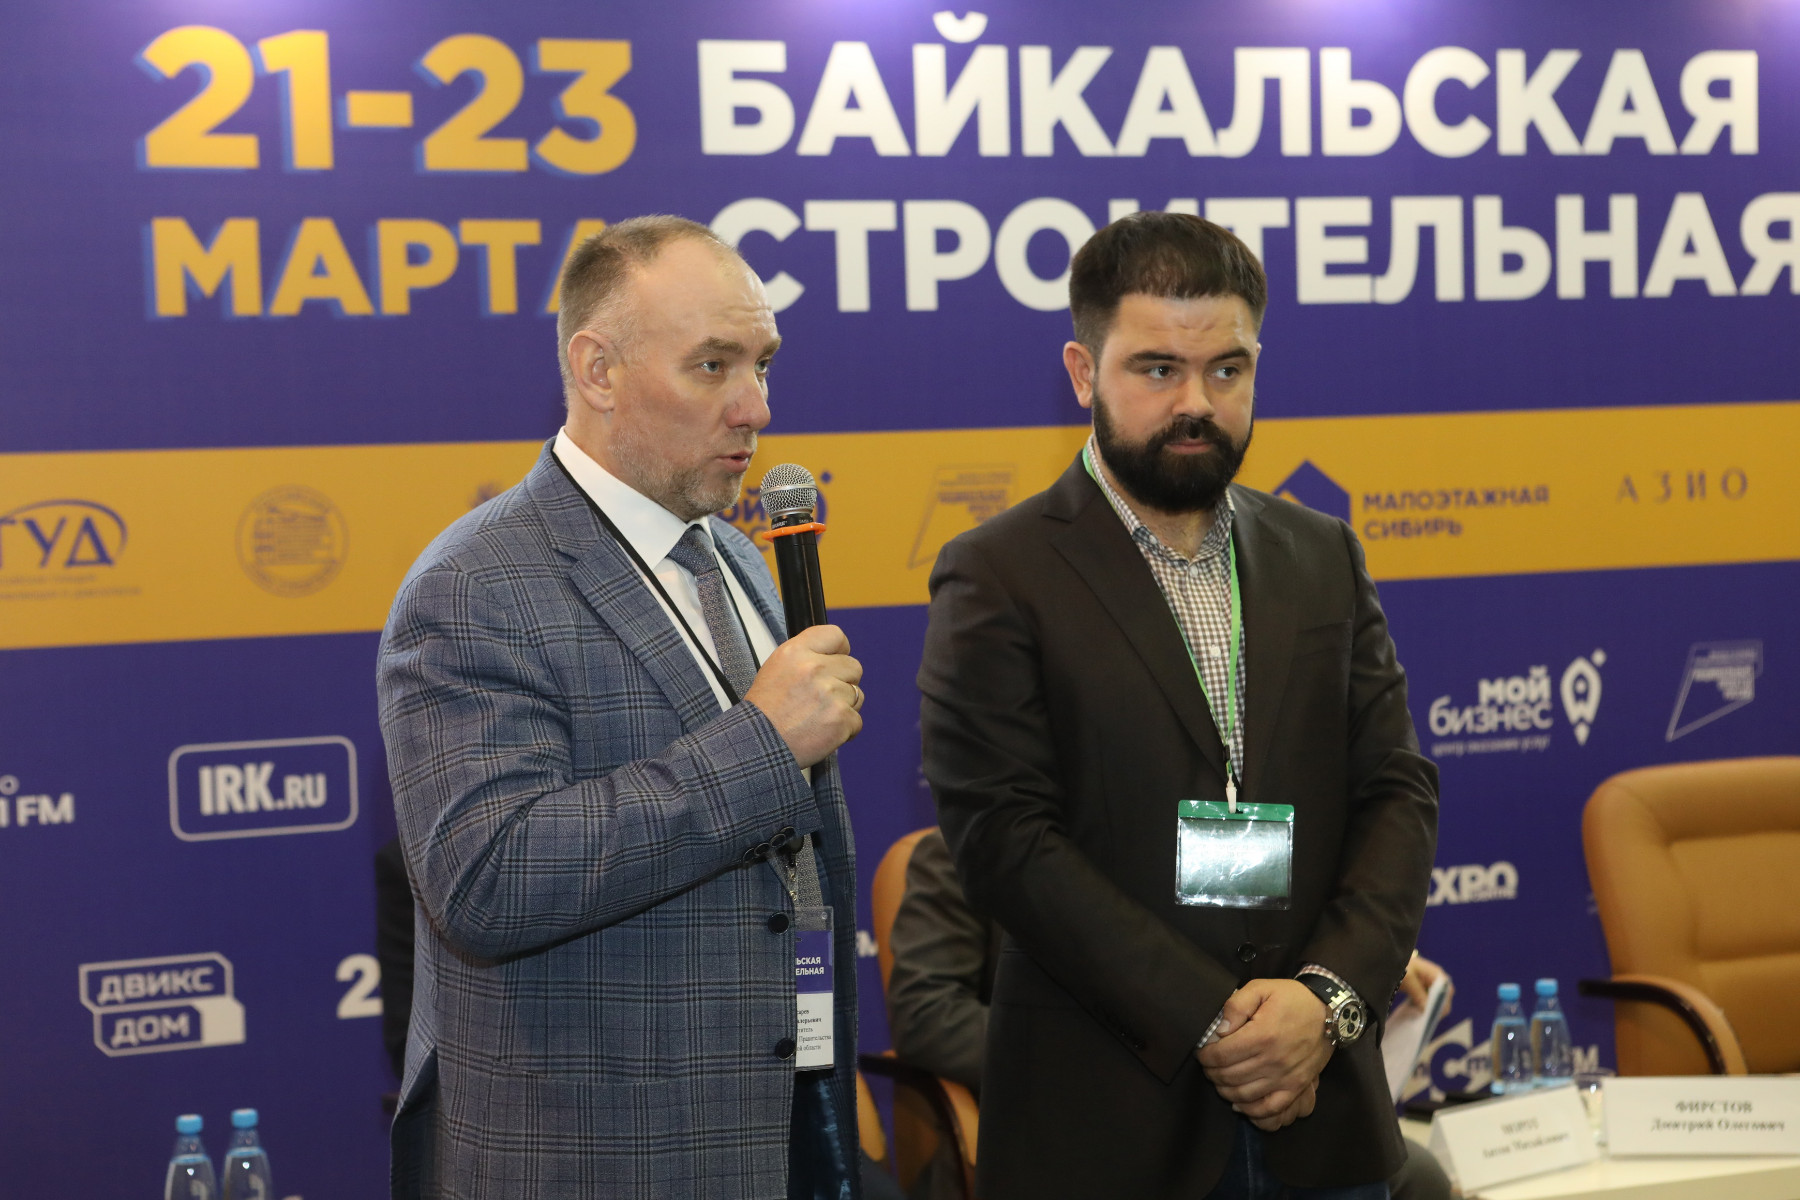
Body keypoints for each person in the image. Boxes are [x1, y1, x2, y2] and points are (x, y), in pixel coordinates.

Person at [917, 211, 1439, 1199]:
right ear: (1083, 372)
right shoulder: (996, 574)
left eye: (1227, 370)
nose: (1196, 403)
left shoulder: (1322, 554)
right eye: (1158, 369)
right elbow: (1003, 839)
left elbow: (1397, 791)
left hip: (1319, 1111)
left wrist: (1323, 1002)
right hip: (1106, 1128)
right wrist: (1217, 1018)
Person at [378, 216, 865, 1199]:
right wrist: (765, 743)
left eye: (763, 363)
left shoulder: (737, 557)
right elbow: (489, 879)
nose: (755, 407)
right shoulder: (473, 585)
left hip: (773, 1132)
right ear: (597, 370)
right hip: (596, 1158)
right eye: (713, 365)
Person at [886, 828, 1453, 1200]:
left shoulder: (1187, 840)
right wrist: (1113, 1052)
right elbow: (927, 1014)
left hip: (1246, 1090)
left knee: (1416, 1177)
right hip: (1083, 1116)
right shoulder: (966, 852)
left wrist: (1345, 973)